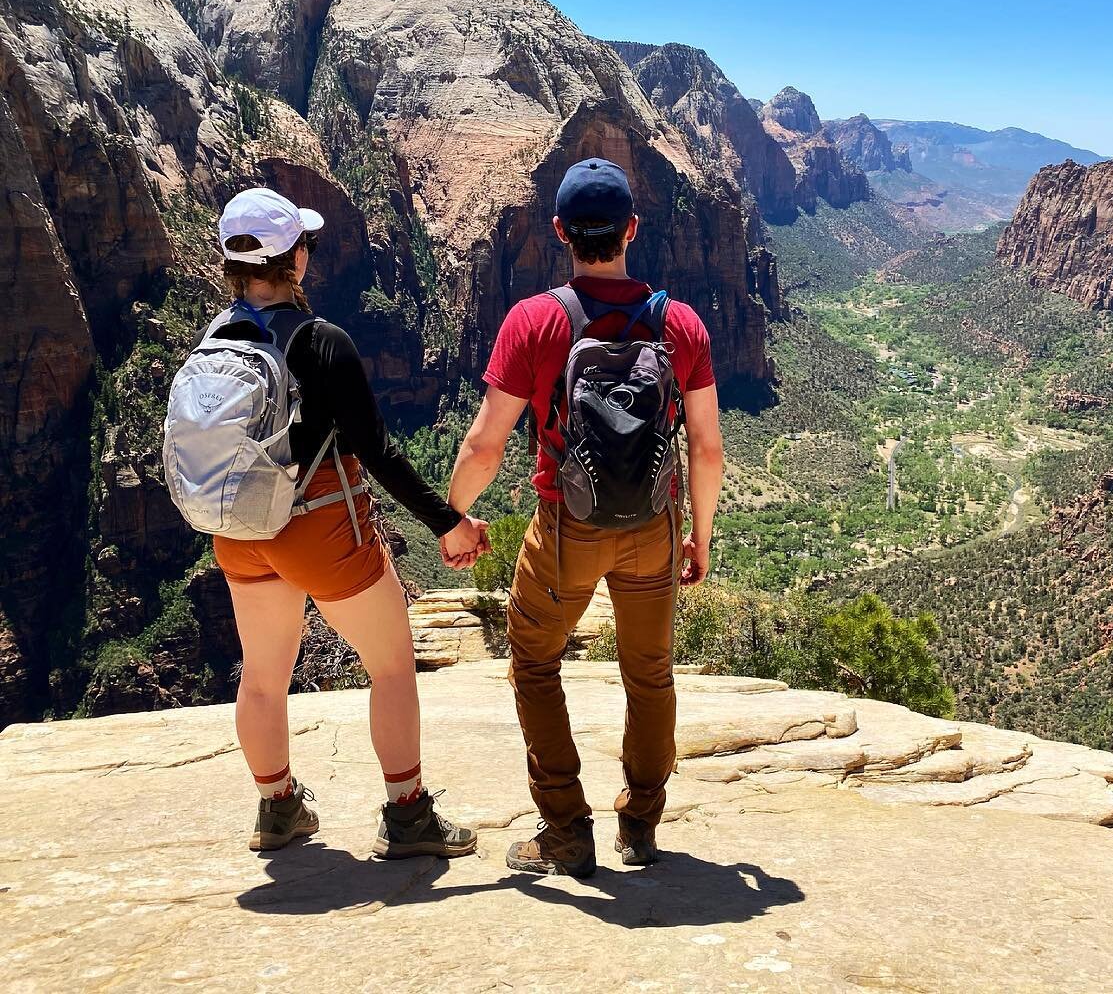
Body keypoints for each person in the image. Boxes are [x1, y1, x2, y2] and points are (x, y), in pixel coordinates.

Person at [446, 159, 724, 877]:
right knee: (650, 674)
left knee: (534, 661)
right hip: (654, 531)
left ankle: (566, 828)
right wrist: (700, 538)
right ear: (631, 230)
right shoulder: (680, 323)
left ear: (561, 233)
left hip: (566, 532)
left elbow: (484, 444)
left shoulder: (535, 320)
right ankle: (640, 823)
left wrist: (454, 516)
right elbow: (709, 448)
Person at [203, 187, 484, 859]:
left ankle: (278, 810)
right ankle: (408, 815)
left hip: (238, 528)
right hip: (317, 524)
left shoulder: (214, 340)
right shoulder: (322, 341)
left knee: (264, 674)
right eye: (306, 244)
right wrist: (449, 522)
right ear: (294, 259)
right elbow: (378, 452)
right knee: (390, 665)